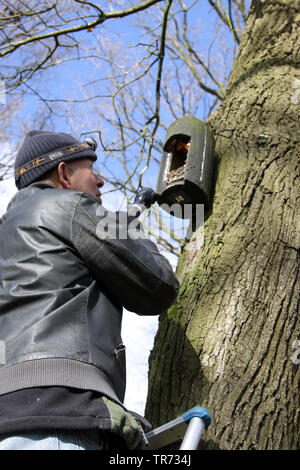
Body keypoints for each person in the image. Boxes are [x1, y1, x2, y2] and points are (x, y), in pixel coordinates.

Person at [0, 130, 179, 451]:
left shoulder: (9, 230)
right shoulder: (71, 206)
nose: (100, 182)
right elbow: (159, 284)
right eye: (90, 170)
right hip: (61, 414)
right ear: (63, 173)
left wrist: (124, 222)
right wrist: (129, 231)